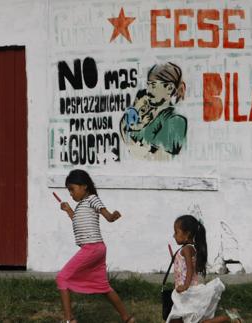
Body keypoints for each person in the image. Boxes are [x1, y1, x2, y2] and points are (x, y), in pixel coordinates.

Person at [56, 169, 135, 323]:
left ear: (84, 186)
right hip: (97, 249)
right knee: (103, 286)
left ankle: (69, 319)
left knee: (62, 277)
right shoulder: (80, 207)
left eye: (72, 189)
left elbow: (107, 216)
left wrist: (113, 216)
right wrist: (69, 210)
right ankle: (127, 318)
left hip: (92, 248)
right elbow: (78, 222)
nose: (71, 194)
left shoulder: (92, 199)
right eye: (69, 191)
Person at [167, 215, 244, 323]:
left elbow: (190, 270)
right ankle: (231, 314)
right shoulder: (187, 248)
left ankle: (231, 317)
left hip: (189, 293)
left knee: (193, 320)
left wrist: (185, 286)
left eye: (176, 232)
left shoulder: (187, 249)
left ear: (187, 234)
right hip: (185, 293)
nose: (174, 235)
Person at [120, 62, 188, 159]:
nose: (148, 90)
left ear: (169, 88)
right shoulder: (147, 115)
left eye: (153, 85)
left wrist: (130, 141)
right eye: (148, 85)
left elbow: (161, 158)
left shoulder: (176, 121)